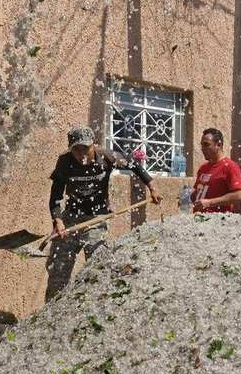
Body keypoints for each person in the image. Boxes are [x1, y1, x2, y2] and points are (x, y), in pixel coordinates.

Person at [45, 126, 162, 301]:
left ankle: (95, 306)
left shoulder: (106, 156)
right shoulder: (65, 162)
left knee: (98, 269)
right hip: (71, 219)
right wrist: (58, 221)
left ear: (93, 145)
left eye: (85, 148)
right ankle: (50, 315)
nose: (81, 154)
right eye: (76, 149)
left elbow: (134, 164)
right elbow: (55, 197)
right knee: (58, 271)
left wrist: (152, 187)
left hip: (97, 219)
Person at [192, 128, 241, 213]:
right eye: (202, 145)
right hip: (198, 220)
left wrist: (210, 203)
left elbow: (238, 195)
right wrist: (187, 198)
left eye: (206, 144)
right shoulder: (203, 168)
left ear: (218, 145)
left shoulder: (230, 166)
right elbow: (199, 193)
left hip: (218, 222)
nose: (202, 148)